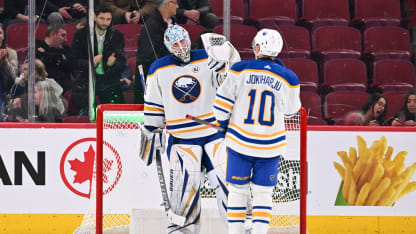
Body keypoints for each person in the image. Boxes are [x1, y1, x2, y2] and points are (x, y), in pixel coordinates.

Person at [139, 24, 239, 233]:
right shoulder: (158, 68)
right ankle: (184, 229)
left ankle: (240, 227)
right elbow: (154, 105)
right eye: (174, 43)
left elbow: (226, 86)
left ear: (188, 38)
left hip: (214, 135)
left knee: (229, 184)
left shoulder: (207, 56)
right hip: (182, 139)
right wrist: (152, 130)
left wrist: (223, 64)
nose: (180, 46)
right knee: (186, 193)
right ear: (167, 45)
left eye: (182, 40)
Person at [213, 28, 301, 234]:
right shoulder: (290, 77)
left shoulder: (240, 69)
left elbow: (221, 105)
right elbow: (290, 112)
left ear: (259, 47)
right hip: (270, 146)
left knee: (237, 192)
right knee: (263, 195)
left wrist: (223, 127)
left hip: (239, 143)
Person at [72, 3, 126, 114]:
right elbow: (74, 61)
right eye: (102, 18)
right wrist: (90, 63)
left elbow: (122, 61)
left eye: (108, 19)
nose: (105, 22)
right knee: (85, 112)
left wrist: (113, 64)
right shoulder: (81, 35)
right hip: (87, 80)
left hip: (109, 81)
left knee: (113, 114)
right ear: (95, 17)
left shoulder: (117, 36)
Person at [134, 0, 178, 103]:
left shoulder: (173, 23)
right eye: (175, 3)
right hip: (152, 84)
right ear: (167, 4)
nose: (177, 6)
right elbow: (148, 58)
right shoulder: (151, 27)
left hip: (168, 78)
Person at [36, 23, 73, 93]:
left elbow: (71, 66)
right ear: (53, 34)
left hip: (64, 85)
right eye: (63, 35)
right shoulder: (36, 44)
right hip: (44, 86)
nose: (66, 39)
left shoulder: (66, 49)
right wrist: (60, 57)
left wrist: (45, 53)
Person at [0, 23, 18, 115]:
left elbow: (14, 76)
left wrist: (5, 60)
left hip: (7, 86)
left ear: (3, 36)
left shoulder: (11, 53)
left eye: (0, 33)